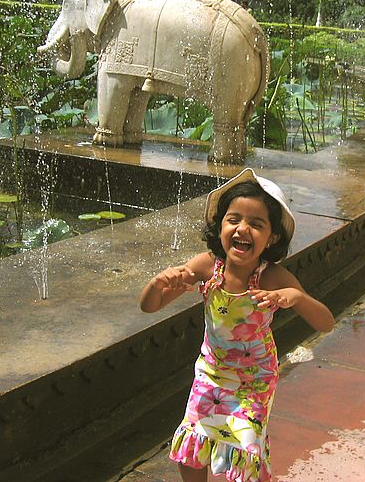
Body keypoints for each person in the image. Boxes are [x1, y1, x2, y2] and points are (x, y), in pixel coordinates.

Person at [140, 168, 334, 482]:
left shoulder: (271, 277)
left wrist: (296, 297)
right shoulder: (206, 267)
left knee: (246, 450)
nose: (242, 229)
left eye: (256, 224)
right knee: (194, 439)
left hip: (254, 381)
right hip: (212, 373)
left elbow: (325, 322)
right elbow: (149, 306)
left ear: (271, 238)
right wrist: (158, 283)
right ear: (219, 228)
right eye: (233, 220)